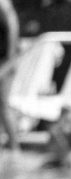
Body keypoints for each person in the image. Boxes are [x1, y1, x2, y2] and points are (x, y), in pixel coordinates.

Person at [0, 0, 19, 151]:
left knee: (3, 106)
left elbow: (13, 35)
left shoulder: (5, 7)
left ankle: (14, 147)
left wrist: (7, 66)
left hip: (5, 64)